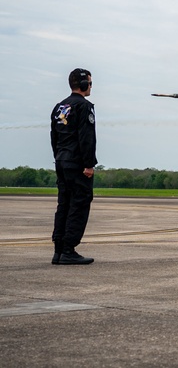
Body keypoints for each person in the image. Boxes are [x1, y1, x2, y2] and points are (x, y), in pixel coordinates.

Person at [50, 68, 98, 265]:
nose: (91, 87)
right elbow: (86, 138)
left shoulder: (60, 107)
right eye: (90, 83)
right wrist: (88, 164)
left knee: (64, 204)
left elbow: (54, 136)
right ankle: (69, 249)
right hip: (77, 164)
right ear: (84, 84)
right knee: (79, 204)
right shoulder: (84, 107)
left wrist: (59, 157)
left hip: (61, 161)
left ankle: (58, 250)